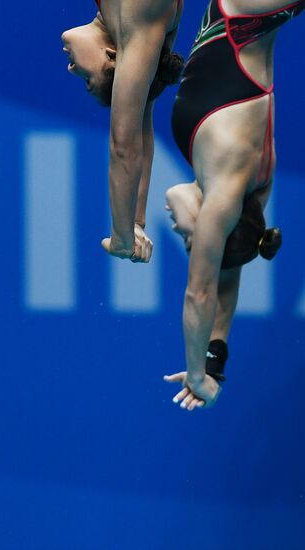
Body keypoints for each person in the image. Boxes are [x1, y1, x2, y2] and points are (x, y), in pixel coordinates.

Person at [163, 0, 303, 411]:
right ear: (214, 225)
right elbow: (200, 293)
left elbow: (225, 281)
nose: (181, 234)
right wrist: (194, 373)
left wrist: (215, 360)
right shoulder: (223, 194)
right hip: (242, 17)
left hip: (247, 18)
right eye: (192, 242)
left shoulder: (252, 192)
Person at [61, 0, 184, 263]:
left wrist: (135, 221)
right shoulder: (139, 17)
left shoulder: (137, 22)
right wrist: (122, 235)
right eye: (88, 80)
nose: (71, 70)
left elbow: (141, 123)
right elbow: (125, 144)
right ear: (111, 56)